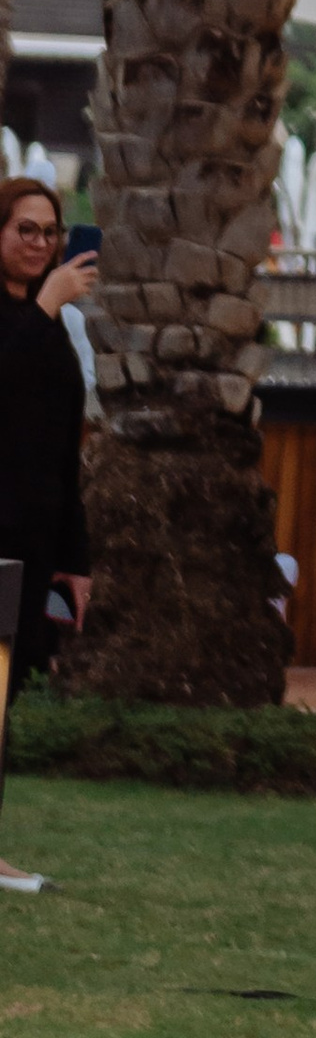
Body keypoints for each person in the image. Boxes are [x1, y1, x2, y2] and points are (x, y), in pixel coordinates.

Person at [0, 176, 94, 699]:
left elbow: (63, 449)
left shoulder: (52, 321)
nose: (40, 243)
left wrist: (74, 560)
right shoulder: (43, 314)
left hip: (36, 542)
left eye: (50, 232)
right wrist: (46, 306)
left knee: (17, 688)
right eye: (26, 230)